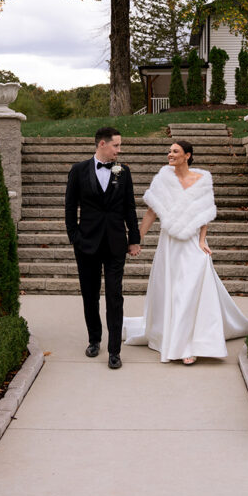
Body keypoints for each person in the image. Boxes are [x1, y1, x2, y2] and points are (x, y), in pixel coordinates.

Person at [123, 140, 248, 363]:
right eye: (169, 151)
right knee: (173, 292)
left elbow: (204, 214)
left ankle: (190, 344)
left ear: (187, 155)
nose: (170, 154)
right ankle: (177, 340)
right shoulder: (163, 179)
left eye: (175, 151)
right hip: (170, 244)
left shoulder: (201, 179)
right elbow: (150, 214)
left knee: (191, 290)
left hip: (193, 242)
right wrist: (136, 240)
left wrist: (203, 241)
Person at [65, 126, 141, 369]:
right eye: (116, 145)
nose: (120, 149)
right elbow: (69, 207)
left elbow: (130, 206)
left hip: (116, 242)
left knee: (115, 296)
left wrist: (134, 238)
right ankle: (94, 339)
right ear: (102, 145)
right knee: (90, 295)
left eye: (119, 145)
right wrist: (74, 237)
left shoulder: (124, 172)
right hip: (86, 243)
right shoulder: (78, 171)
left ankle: (114, 351)